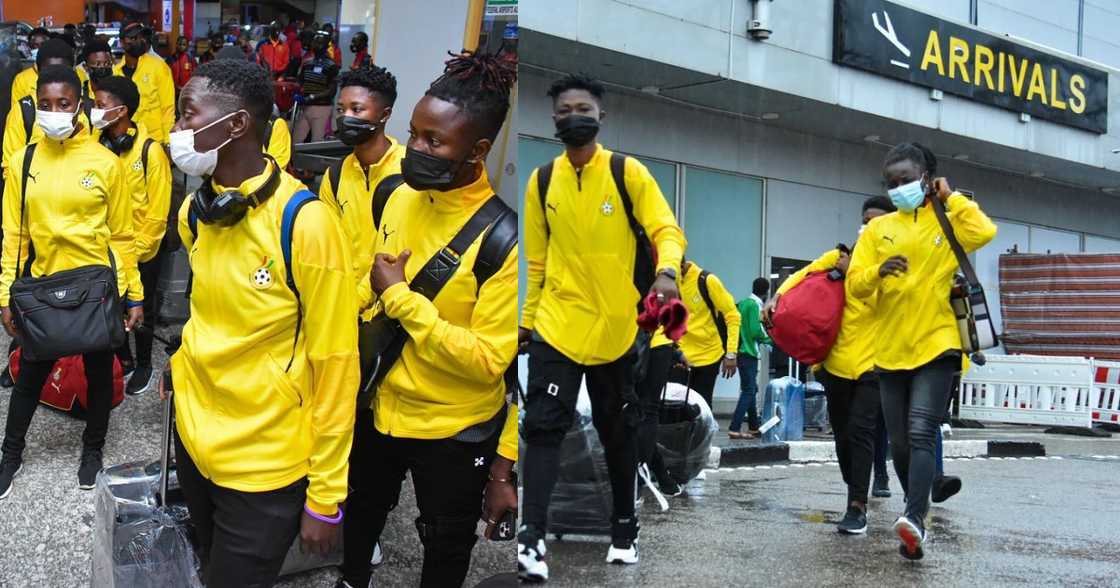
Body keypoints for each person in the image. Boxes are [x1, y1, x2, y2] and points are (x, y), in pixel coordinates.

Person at [166, 57, 358, 586]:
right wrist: (182, 367)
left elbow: (337, 365)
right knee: (210, 565)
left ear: (235, 125)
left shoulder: (307, 224)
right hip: (196, 445)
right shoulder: (196, 213)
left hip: (264, 468)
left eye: (187, 114)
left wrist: (325, 496)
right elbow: (206, 312)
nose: (176, 128)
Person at [338, 49, 519, 588]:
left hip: (453, 430)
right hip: (379, 405)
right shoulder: (397, 196)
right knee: (360, 515)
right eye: (414, 134)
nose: (415, 149)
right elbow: (368, 283)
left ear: (477, 151)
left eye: (434, 142)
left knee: (445, 544)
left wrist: (400, 299)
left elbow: (489, 360)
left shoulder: (505, 241)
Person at [519, 73, 686, 580]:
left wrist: (667, 271)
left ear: (600, 116)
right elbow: (537, 264)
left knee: (618, 433)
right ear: (553, 118)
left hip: (616, 331)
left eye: (583, 109)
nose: (574, 116)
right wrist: (527, 325)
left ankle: (624, 528)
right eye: (564, 110)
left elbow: (666, 228)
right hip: (558, 326)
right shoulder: (541, 181)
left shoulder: (626, 172)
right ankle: (532, 539)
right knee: (543, 428)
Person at [0, 65, 143, 499]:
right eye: (45, 104)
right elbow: (14, 235)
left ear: (80, 104)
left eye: (63, 103)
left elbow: (122, 235)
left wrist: (133, 294)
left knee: (99, 375)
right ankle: (10, 455)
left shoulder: (104, 162)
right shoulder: (24, 161)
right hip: (43, 288)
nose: (54, 112)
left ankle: (92, 450)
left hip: (96, 289)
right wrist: (5, 295)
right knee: (29, 375)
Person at [848, 142, 996, 560]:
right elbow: (856, 286)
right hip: (890, 349)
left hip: (938, 344)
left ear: (927, 179)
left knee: (920, 432)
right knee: (899, 443)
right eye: (891, 183)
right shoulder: (877, 230)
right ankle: (913, 520)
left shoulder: (946, 219)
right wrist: (877, 271)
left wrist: (951, 198)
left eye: (907, 180)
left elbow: (984, 232)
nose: (899, 188)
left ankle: (914, 517)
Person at [763, 195, 896, 536]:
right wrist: (776, 298)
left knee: (861, 430)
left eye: (877, 221)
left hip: (875, 364)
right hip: (835, 363)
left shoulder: (896, 264)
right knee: (843, 437)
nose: (869, 226)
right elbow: (803, 275)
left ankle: (857, 505)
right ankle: (856, 487)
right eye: (865, 220)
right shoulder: (839, 256)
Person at [94, 75, 172, 395]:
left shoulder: (149, 152)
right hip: (106, 247)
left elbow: (158, 213)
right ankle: (123, 358)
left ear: (122, 110)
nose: (94, 111)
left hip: (143, 249)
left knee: (142, 308)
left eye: (100, 105)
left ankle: (144, 364)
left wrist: (134, 253)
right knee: (112, 305)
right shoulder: (95, 146)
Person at [318, 64, 403, 315]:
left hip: (391, 304)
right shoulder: (334, 176)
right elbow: (328, 244)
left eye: (356, 109)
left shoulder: (407, 172)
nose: (346, 117)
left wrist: (355, 301)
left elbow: (400, 248)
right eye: (340, 109)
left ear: (384, 114)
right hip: (342, 299)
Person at [663, 259, 741, 409]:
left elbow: (732, 316)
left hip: (708, 354)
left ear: (681, 265)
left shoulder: (707, 280)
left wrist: (731, 354)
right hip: (681, 354)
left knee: (702, 406)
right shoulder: (671, 283)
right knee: (674, 406)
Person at [114, 22, 175, 144]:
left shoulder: (159, 67)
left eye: (141, 37)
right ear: (122, 43)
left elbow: (168, 108)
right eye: (133, 38)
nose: (139, 41)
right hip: (127, 141)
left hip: (155, 140)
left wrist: (168, 142)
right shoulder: (115, 72)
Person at [728, 277, 773, 438]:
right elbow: (755, 330)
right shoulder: (755, 305)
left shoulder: (742, 303)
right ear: (766, 292)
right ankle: (734, 427)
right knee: (748, 390)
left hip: (740, 351)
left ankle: (754, 426)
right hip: (749, 352)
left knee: (751, 388)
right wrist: (771, 339)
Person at [292, 32, 339, 143]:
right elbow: (301, 82)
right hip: (305, 107)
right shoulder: (307, 63)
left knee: (317, 141)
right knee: (296, 140)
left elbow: (332, 91)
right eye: (315, 42)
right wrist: (297, 92)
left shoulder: (331, 65)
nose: (316, 45)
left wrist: (312, 97)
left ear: (326, 45)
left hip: (321, 108)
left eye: (320, 42)